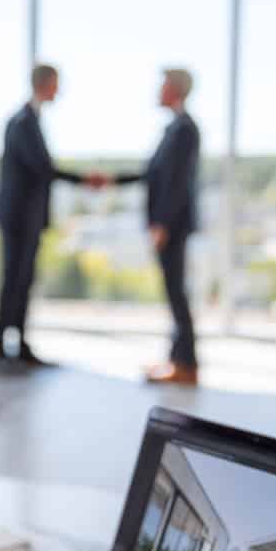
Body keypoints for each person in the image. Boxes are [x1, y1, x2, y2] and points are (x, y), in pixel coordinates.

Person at [90, 68, 201, 386]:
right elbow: (153, 174)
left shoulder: (184, 129)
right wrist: (112, 180)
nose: (158, 90)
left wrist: (162, 223)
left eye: (163, 85)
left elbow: (176, 183)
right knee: (173, 291)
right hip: (168, 223)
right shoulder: (174, 128)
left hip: (172, 225)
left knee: (176, 292)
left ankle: (186, 364)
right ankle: (176, 359)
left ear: (175, 89)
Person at [0, 64, 86, 371]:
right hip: (17, 217)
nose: (59, 90)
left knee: (23, 280)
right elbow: (42, 168)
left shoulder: (30, 120)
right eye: (56, 84)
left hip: (28, 217)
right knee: (13, 279)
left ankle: (18, 344)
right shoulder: (22, 122)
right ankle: (3, 346)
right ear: (44, 84)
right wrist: (82, 179)